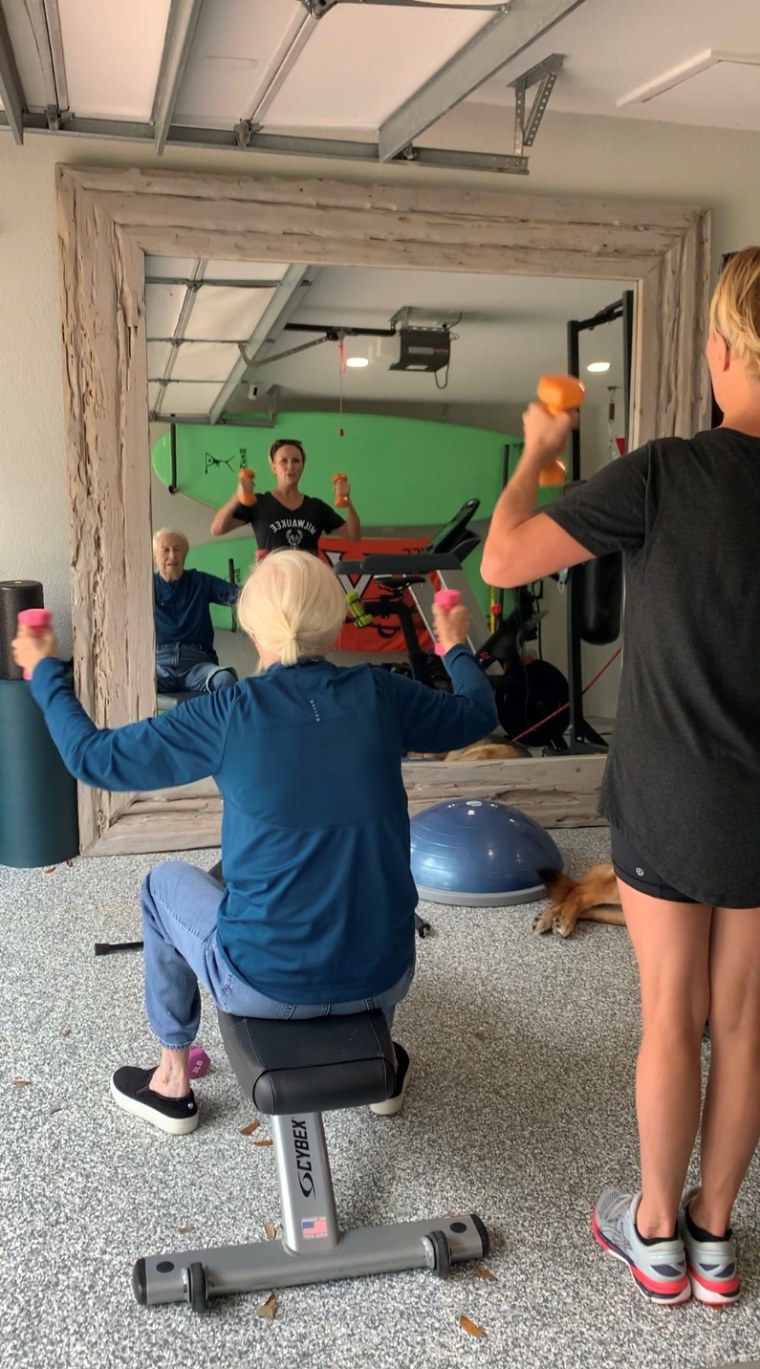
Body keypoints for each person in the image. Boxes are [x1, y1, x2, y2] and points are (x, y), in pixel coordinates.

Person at [480, 246, 760, 1308]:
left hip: (669, 799)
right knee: (740, 1019)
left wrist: (538, 447)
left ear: (720, 351)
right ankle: (715, 1237)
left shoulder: (667, 471)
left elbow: (501, 557)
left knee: (669, 1011)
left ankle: (653, 1233)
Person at [14, 549, 497, 1137]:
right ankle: (384, 1067)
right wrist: (453, 643)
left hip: (263, 983)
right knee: (290, 872)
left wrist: (42, 670)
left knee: (161, 886)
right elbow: (476, 711)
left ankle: (171, 1079)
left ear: (249, 627)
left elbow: (92, 758)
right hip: (387, 975)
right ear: (338, 623)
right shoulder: (379, 693)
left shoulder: (228, 711)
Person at [210, 438, 361, 553]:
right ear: (274, 467)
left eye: (296, 461)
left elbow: (354, 537)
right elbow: (217, 529)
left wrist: (348, 502)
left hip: (307, 584)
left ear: (302, 466)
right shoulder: (258, 503)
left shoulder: (316, 507)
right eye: (284, 461)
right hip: (272, 587)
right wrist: (238, 495)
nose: (290, 467)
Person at [153, 528, 239, 696]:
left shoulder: (199, 581)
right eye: (165, 550)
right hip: (159, 665)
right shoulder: (146, 586)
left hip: (197, 664)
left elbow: (237, 595)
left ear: (185, 554)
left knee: (226, 681)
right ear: (155, 556)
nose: (172, 556)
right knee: (129, 684)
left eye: (177, 550)